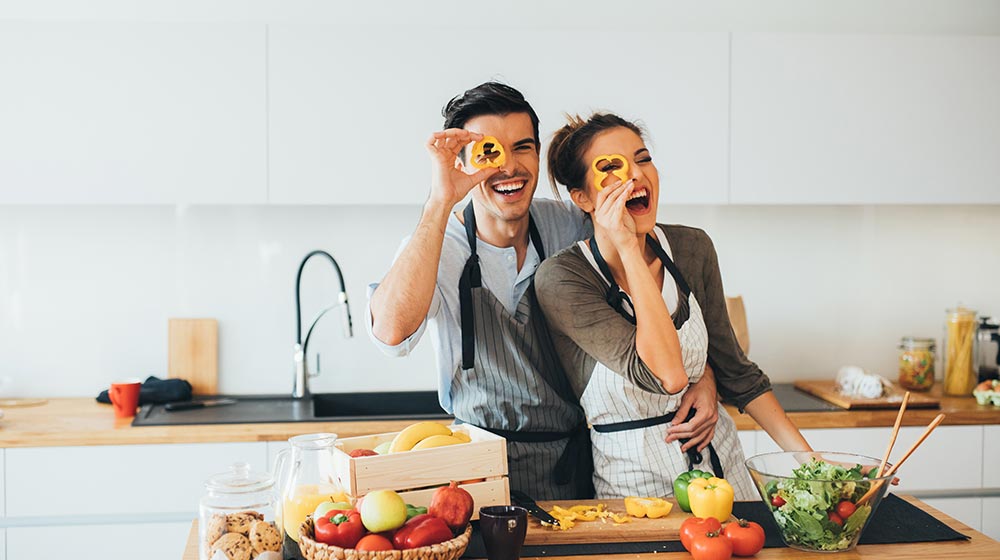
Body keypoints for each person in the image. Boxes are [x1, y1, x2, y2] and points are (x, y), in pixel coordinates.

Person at [365, 83, 721, 500]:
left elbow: (653, 287)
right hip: (474, 470)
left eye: (523, 148)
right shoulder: (433, 245)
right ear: (461, 163)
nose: (509, 168)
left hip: (573, 465)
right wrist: (439, 202)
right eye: (489, 152)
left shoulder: (574, 225)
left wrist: (705, 374)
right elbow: (391, 336)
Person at [536, 113, 812, 499]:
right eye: (612, 168)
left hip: (723, 474)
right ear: (583, 198)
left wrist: (814, 467)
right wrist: (630, 246)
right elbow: (667, 375)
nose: (637, 176)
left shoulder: (692, 248)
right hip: (635, 491)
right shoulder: (562, 279)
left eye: (643, 158)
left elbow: (738, 372)